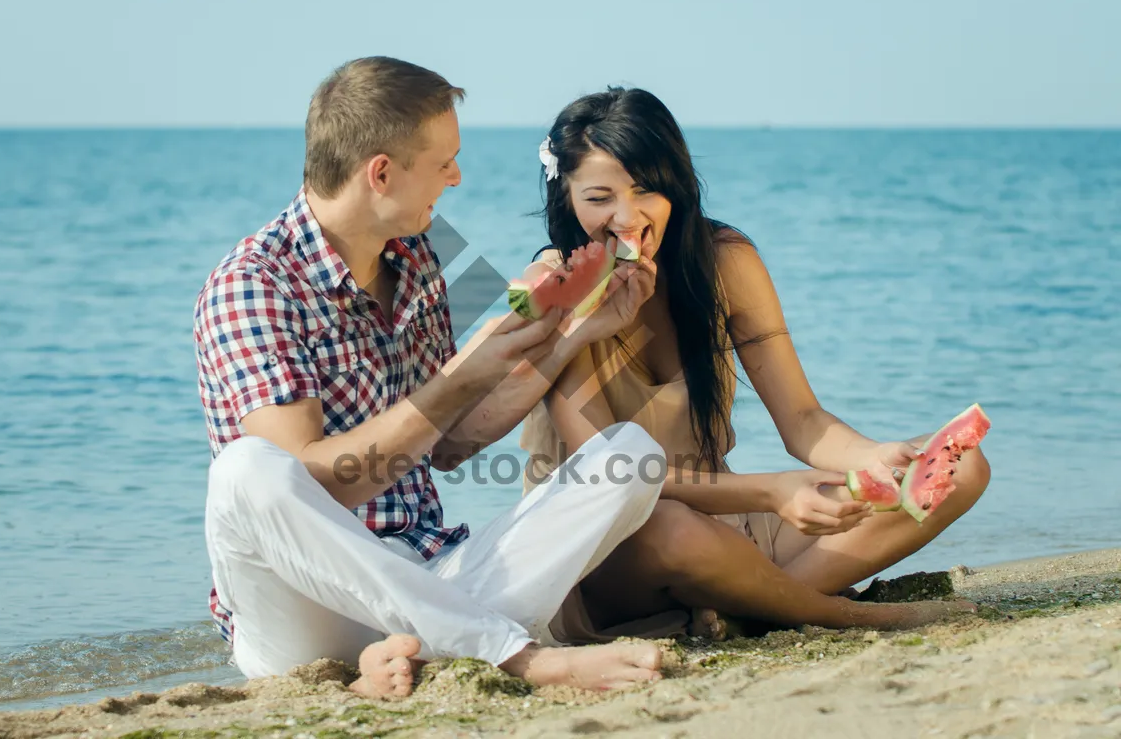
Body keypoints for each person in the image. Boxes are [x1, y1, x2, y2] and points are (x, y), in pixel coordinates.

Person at [192, 58, 673, 698]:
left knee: (633, 456)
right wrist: (459, 374)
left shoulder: (415, 256)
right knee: (245, 470)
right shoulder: (253, 285)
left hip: (433, 577)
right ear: (382, 174)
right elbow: (306, 495)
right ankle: (520, 656)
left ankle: (417, 654)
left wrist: (574, 335)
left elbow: (449, 444)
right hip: (307, 612)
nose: (457, 176)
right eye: (443, 161)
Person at [517, 86, 989, 643]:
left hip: (725, 523)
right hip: (604, 548)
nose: (627, 216)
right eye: (599, 197)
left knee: (962, 468)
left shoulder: (724, 260)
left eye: (646, 189)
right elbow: (614, 477)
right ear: (565, 198)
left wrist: (874, 457)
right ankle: (832, 613)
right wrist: (772, 492)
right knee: (668, 528)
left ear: (678, 185)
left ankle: (750, 610)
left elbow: (804, 421)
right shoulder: (548, 289)